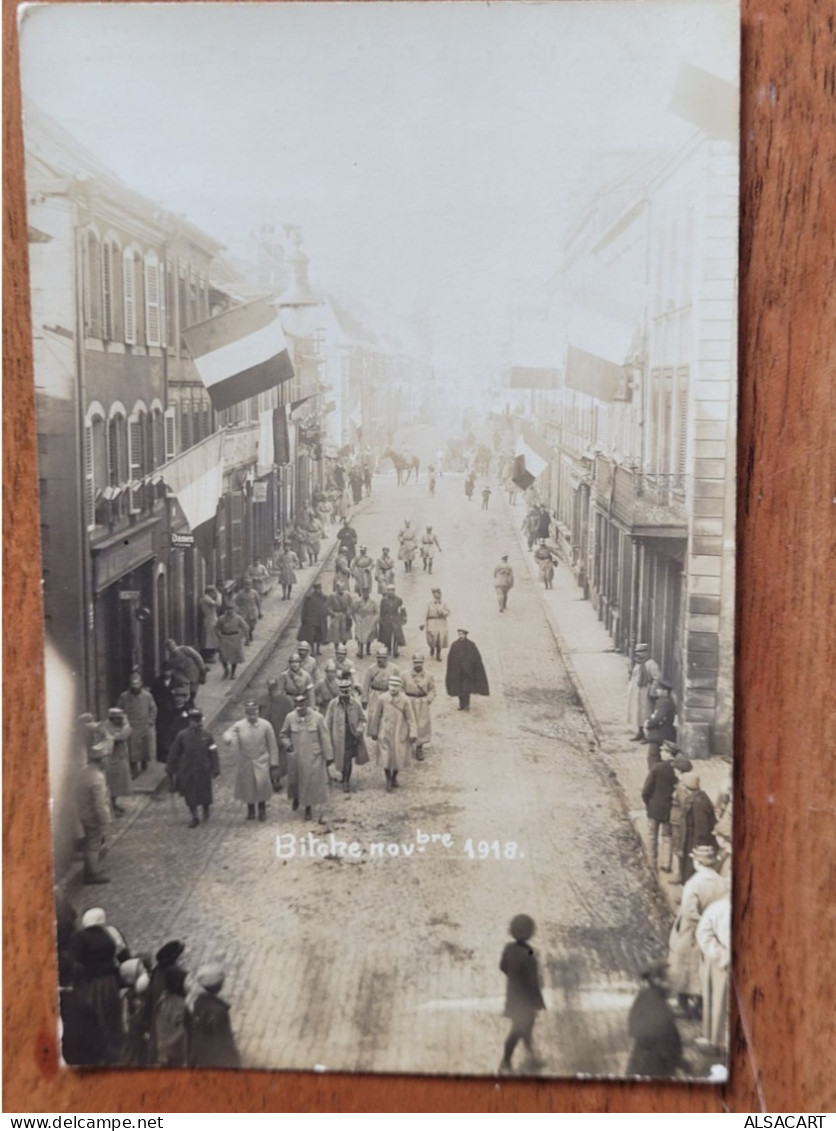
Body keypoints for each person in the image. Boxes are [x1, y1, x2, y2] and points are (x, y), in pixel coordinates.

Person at [668, 845, 730, 1020]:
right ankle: (700, 1006)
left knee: (682, 966)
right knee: (703, 968)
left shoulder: (694, 883)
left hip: (690, 933)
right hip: (713, 932)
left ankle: (683, 1005)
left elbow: (688, 912)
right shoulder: (721, 882)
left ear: (698, 862)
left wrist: (700, 923)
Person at [67, 911, 124, 1063]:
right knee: (110, 1013)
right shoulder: (110, 934)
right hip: (109, 981)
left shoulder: (78, 938)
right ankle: (114, 1047)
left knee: (94, 1013)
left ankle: (99, 1050)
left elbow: (75, 963)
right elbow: (120, 954)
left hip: (91, 983)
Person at [498, 914, 546, 1074]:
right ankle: (506, 1060)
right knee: (520, 1029)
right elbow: (533, 977)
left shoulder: (509, 949)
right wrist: (537, 998)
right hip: (526, 998)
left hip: (513, 996)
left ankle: (530, 1057)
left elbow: (503, 967)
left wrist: (514, 978)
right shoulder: (530, 952)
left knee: (523, 1028)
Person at [280, 693, 334, 821]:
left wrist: (329, 756)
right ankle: (296, 798)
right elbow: (283, 735)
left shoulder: (318, 718)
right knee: (296, 780)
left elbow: (325, 738)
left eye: (303, 708)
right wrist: (289, 745)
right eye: (298, 708)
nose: (301, 711)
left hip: (313, 756)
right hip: (296, 755)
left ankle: (308, 808)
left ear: (307, 706)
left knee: (310, 782)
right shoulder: (290, 717)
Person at [625, 960, 683, 1078]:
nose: (677, 982)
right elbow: (662, 1039)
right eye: (672, 979)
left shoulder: (647, 995)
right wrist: (679, 1063)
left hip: (643, 1062)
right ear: (659, 981)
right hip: (653, 1067)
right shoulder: (655, 1004)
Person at [225, 700, 280, 822]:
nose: (252, 715)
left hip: (261, 760)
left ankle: (262, 810)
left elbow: (273, 745)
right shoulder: (239, 725)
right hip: (246, 761)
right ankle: (250, 809)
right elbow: (229, 733)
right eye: (249, 713)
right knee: (248, 786)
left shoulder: (266, 725)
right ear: (246, 713)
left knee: (262, 786)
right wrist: (229, 738)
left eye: (254, 711)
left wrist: (274, 763)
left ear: (258, 711)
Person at [167, 708, 220, 828]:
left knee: (205, 793)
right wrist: (170, 768)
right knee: (190, 795)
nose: (196, 723)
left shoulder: (207, 736)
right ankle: (194, 816)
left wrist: (215, 768)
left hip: (203, 770)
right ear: (189, 721)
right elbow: (174, 753)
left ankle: (206, 809)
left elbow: (213, 752)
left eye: (198, 721)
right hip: (187, 770)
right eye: (193, 721)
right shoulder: (182, 736)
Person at [368, 674, 417, 792]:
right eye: (391, 685)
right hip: (384, 730)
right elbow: (376, 716)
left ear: (400, 687)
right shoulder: (382, 698)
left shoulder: (405, 700)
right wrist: (373, 731)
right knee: (385, 756)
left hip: (400, 731)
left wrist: (413, 732)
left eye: (395, 686)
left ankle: (394, 776)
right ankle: (388, 779)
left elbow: (410, 717)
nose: (393, 688)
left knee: (398, 756)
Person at [695, 894, 731, 1054]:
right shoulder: (720, 908)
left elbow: (702, 932)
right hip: (722, 960)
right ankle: (717, 1041)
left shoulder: (717, 907)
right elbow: (704, 934)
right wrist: (723, 956)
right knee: (718, 1000)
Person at [186, 964, 241, 1068]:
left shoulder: (198, 1002)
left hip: (201, 1057)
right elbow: (223, 1042)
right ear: (221, 985)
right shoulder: (218, 1011)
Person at [325, 672, 369, 794]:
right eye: (342, 690)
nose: (344, 693)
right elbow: (327, 722)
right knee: (339, 758)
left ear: (350, 690)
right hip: (337, 736)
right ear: (338, 690)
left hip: (351, 734)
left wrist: (360, 730)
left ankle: (346, 781)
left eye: (346, 690)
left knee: (347, 759)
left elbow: (363, 719)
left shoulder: (355, 703)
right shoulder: (333, 704)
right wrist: (327, 737)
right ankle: (339, 775)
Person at [76, 740, 113, 884]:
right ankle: (93, 873)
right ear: (102, 759)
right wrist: (105, 821)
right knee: (94, 845)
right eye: (106, 758)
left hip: (83, 812)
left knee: (90, 843)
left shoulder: (84, 772)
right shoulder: (97, 777)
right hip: (93, 816)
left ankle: (90, 870)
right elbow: (100, 803)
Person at [640, 742, 677, 873]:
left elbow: (646, 790)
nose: (660, 752)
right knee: (667, 837)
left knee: (652, 837)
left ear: (669, 754)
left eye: (663, 751)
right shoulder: (677, 770)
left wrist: (648, 803)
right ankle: (666, 864)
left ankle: (651, 864)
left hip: (654, 808)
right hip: (669, 809)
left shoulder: (657, 768)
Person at [116, 670, 157, 777]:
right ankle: (133, 769)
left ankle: (144, 762)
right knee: (132, 750)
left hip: (143, 726)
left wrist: (150, 721)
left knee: (143, 748)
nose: (135, 686)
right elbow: (119, 709)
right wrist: (121, 722)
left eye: (137, 683)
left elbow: (153, 709)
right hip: (130, 726)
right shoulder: (124, 696)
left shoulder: (147, 696)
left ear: (141, 683)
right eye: (133, 684)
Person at [680, 773, 718, 883]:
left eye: (683, 784)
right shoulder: (699, 797)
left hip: (695, 841)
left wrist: (696, 849)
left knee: (690, 868)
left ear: (687, 787)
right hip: (691, 837)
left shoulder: (697, 803)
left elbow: (702, 828)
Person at [259, 678, 293, 785]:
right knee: (269, 755)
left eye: (273, 687)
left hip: (280, 731)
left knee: (280, 756)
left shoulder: (286, 701)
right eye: (270, 687)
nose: (272, 689)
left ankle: (276, 778)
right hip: (268, 732)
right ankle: (272, 778)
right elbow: (259, 715)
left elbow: (290, 716)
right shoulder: (262, 700)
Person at [445, 629, 489, 711]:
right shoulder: (455, 645)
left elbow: (476, 658)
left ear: (465, 635)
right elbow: (451, 658)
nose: (460, 635)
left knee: (466, 689)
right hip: (458, 672)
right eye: (459, 634)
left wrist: (471, 668)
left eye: (462, 634)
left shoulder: (471, 645)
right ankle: (461, 704)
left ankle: (466, 704)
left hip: (467, 672)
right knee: (459, 689)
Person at [402, 652, 436, 760]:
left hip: (422, 702)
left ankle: (419, 747)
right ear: (412, 662)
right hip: (409, 701)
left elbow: (432, 690)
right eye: (416, 662)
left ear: (423, 663)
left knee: (421, 725)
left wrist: (428, 699)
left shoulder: (429, 676)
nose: (418, 665)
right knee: (407, 723)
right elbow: (400, 688)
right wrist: (404, 699)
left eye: (420, 663)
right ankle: (406, 746)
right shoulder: (405, 675)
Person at [667, 750, 693, 885]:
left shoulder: (682, 785)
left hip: (678, 820)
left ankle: (679, 875)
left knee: (678, 847)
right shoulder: (685, 781)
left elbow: (684, 805)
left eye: (676, 768)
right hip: (678, 819)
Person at [627, 643, 661, 742]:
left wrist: (652, 690)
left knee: (645, 713)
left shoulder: (651, 663)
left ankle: (648, 735)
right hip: (636, 692)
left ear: (645, 652)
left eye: (640, 652)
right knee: (637, 713)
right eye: (637, 652)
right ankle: (640, 732)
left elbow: (657, 678)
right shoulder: (638, 663)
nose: (638, 654)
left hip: (645, 692)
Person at [102, 707, 132, 816]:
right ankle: (110, 807)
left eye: (121, 718)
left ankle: (114, 804)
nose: (120, 721)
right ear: (111, 718)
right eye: (118, 719)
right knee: (111, 785)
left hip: (119, 758)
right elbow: (121, 737)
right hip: (110, 760)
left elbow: (126, 732)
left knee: (118, 785)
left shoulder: (117, 726)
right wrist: (126, 725)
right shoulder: (106, 727)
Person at [150, 663, 181, 764]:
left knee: (172, 733)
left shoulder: (177, 682)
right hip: (161, 712)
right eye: (165, 671)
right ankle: (161, 755)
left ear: (172, 671)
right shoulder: (157, 682)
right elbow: (152, 696)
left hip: (173, 712)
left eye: (169, 671)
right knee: (160, 733)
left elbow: (182, 696)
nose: (167, 673)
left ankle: (171, 754)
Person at [644, 679, 677, 766]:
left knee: (653, 759)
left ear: (665, 691)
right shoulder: (665, 701)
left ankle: (655, 777)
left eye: (659, 689)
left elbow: (657, 718)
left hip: (660, 734)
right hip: (664, 733)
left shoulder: (664, 703)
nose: (657, 690)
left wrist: (648, 724)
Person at [165, 638, 206, 704]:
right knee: (184, 690)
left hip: (193, 671)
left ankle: (191, 700)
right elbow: (172, 668)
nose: (173, 650)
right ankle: (187, 701)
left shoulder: (185, 649)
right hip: (183, 675)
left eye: (173, 647)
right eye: (170, 649)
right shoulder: (171, 658)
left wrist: (202, 668)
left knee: (194, 689)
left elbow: (197, 657)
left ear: (175, 645)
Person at [216, 605, 249, 680]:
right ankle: (226, 671)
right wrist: (219, 636)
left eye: (231, 609)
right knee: (223, 656)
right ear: (226, 610)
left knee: (234, 657)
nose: (230, 611)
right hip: (224, 638)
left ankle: (233, 673)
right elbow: (217, 628)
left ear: (234, 610)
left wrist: (241, 636)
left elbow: (245, 627)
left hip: (234, 638)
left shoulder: (238, 618)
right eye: (228, 609)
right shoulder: (221, 618)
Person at [298, 583, 329, 656]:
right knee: (311, 636)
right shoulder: (309, 598)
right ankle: (312, 650)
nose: (319, 590)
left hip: (320, 620)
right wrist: (303, 618)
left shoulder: (323, 597)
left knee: (319, 636)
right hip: (311, 620)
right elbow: (304, 609)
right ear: (314, 589)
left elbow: (326, 606)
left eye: (320, 589)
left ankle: (318, 650)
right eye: (317, 589)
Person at [420, 588, 450, 661]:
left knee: (440, 638)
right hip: (432, 622)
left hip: (441, 622)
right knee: (432, 638)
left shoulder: (444, 603)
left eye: (439, 593)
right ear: (433, 594)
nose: (438, 595)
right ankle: (432, 647)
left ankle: (438, 654)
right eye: (436, 593)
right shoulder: (429, 603)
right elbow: (424, 613)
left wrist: (443, 612)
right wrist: (422, 624)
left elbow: (448, 611)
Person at [378, 583, 407, 658]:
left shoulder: (399, 599)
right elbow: (381, 611)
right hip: (387, 618)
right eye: (389, 590)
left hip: (395, 618)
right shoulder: (384, 600)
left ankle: (395, 649)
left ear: (394, 591)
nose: (390, 592)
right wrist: (381, 619)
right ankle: (387, 648)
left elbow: (402, 609)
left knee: (396, 634)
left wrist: (404, 617)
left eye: (392, 590)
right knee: (387, 634)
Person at [198, 586, 223, 663]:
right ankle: (207, 656)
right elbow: (218, 604)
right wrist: (219, 595)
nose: (214, 595)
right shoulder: (206, 598)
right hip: (209, 621)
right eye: (213, 593)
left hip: (212, 620)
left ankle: (210, 655)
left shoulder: (207, 598)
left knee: (212, 638)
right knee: (209, 639)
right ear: (210, 592)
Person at [234, 577, 262, 644]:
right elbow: (237, 602)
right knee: (245, 626)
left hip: (252, 611)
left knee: (252, 625)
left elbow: (258, 602)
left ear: (251, 585)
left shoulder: (254, 593)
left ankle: (250, 632)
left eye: (249, 584)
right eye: (246, 585)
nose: (248, 586)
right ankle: (247, 639)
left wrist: (260, 611)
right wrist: (241, 607)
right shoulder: (240, 593)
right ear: (244, 585)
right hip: (244, 612)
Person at [352, 590, 378, 658]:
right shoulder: (358, 601)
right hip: (361, 619)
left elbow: (377, 611)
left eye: (367, 592)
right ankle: (360, 650)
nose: (365, 594)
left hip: (370, 619)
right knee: (359, 635)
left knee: (369, 635)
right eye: (364, 592)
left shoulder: (373, 601)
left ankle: (368, 649)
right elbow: (354, 611)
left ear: (369, 593)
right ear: (362, 593)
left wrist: (374, 619)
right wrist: (356, 619)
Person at [326, 583, 353, 648]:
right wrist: (332, 613)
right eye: (340, 588)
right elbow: (327, 606)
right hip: (336, 616)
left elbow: (351, 605)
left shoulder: (347, 595)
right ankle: (336, 648)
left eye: (343, 588)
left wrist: (348, 612)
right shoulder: (332, 596)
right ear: (337, 588)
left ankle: (343, 646)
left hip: (344, 615)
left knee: (345, 633)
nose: (341, 590)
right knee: (336, 633)